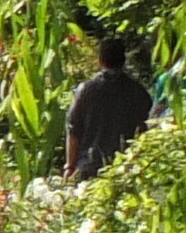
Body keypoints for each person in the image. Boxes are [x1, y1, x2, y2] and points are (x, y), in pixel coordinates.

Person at [63, 35, 155, 181]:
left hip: (89, 167)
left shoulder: (86, 90)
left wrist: (70, 167)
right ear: (124, 60)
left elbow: (73, 130)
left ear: (100, 60)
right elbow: (147, 130)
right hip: (125, 169)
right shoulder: (138, 92)